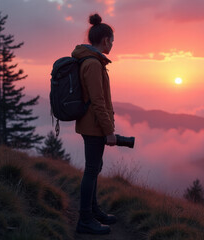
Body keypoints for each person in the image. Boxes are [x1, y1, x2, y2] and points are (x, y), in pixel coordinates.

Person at [72, 13, 117, 235]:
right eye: (113, 40)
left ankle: (94, 211)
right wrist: (109, 131)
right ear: (106, 40)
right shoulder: (92, 64)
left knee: (94, 169)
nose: (113, 44)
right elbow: (98, 102)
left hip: (92, 124)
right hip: (93, 126)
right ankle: (85, 220)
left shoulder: (92, 60)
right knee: (91, 170)